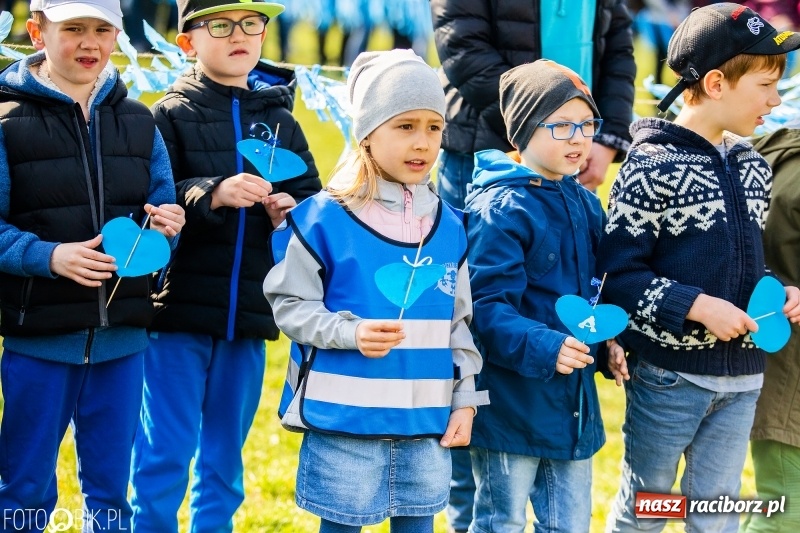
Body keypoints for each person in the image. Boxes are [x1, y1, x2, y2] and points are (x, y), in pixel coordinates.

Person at [263, 49, 489, 533]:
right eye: (404, 126)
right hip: (345, 425)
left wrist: (466, 398)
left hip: (425, 427)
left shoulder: (451, 226)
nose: (422, 142)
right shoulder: (322, 219)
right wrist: (350, 332)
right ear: (367, 133)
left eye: (433, 127)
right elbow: (289, 306)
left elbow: (459, 323)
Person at [598, 4, 800, 532]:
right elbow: (618, 277)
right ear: (716, 82)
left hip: (743, 380)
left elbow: (742, 266)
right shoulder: (649, 167)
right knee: (649, 506)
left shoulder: (755, 166)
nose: (777, 100)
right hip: (671, 380)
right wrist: (696, 307)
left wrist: (778, 290)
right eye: (765, 85)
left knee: (716, 513)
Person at [128, 1, 321, 532]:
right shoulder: (169, 114)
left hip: (248, 322)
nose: (239, 34)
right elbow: (154, 198)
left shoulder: (282, 122)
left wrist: (291, 213)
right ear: (187, 41)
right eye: (220, 25)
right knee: (163, 452)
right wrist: (212, 193)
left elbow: (314, 204)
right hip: (177, 317)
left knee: (224, 462)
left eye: (251, 23)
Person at [0, 0, 186, 530]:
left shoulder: (138, 120)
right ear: (37, 30)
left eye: (102, 29)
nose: (89, 43)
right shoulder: (5, 119)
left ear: (118, 34)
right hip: (38, 339)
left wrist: (166, 226)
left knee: (110, 491)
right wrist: (49, 257)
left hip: (123, 342)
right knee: (24, 486)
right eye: (73, 29)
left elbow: (161, 205)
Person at [463, 59, 628, 533]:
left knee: (570, 523)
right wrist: (545, 345)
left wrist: (608, 345)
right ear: (520, 134)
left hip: (572, 408)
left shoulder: (584, 202)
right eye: (560, 126)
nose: (578, 137)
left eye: (587, 125)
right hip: (512, 402)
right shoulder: (502, 209)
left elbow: (594, 292)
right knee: (502, 521)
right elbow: (485, 307)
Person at [430, 0, 636, 211]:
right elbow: (463, 46)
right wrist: (532, 129)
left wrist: (608, 139)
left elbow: (618, 44)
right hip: (484, 149)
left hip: (576, 154)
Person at [741, 124, 800, 533]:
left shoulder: (770, 153)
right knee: (784, 512)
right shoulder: (778, 161)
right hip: (789, 376)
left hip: (780, 367)